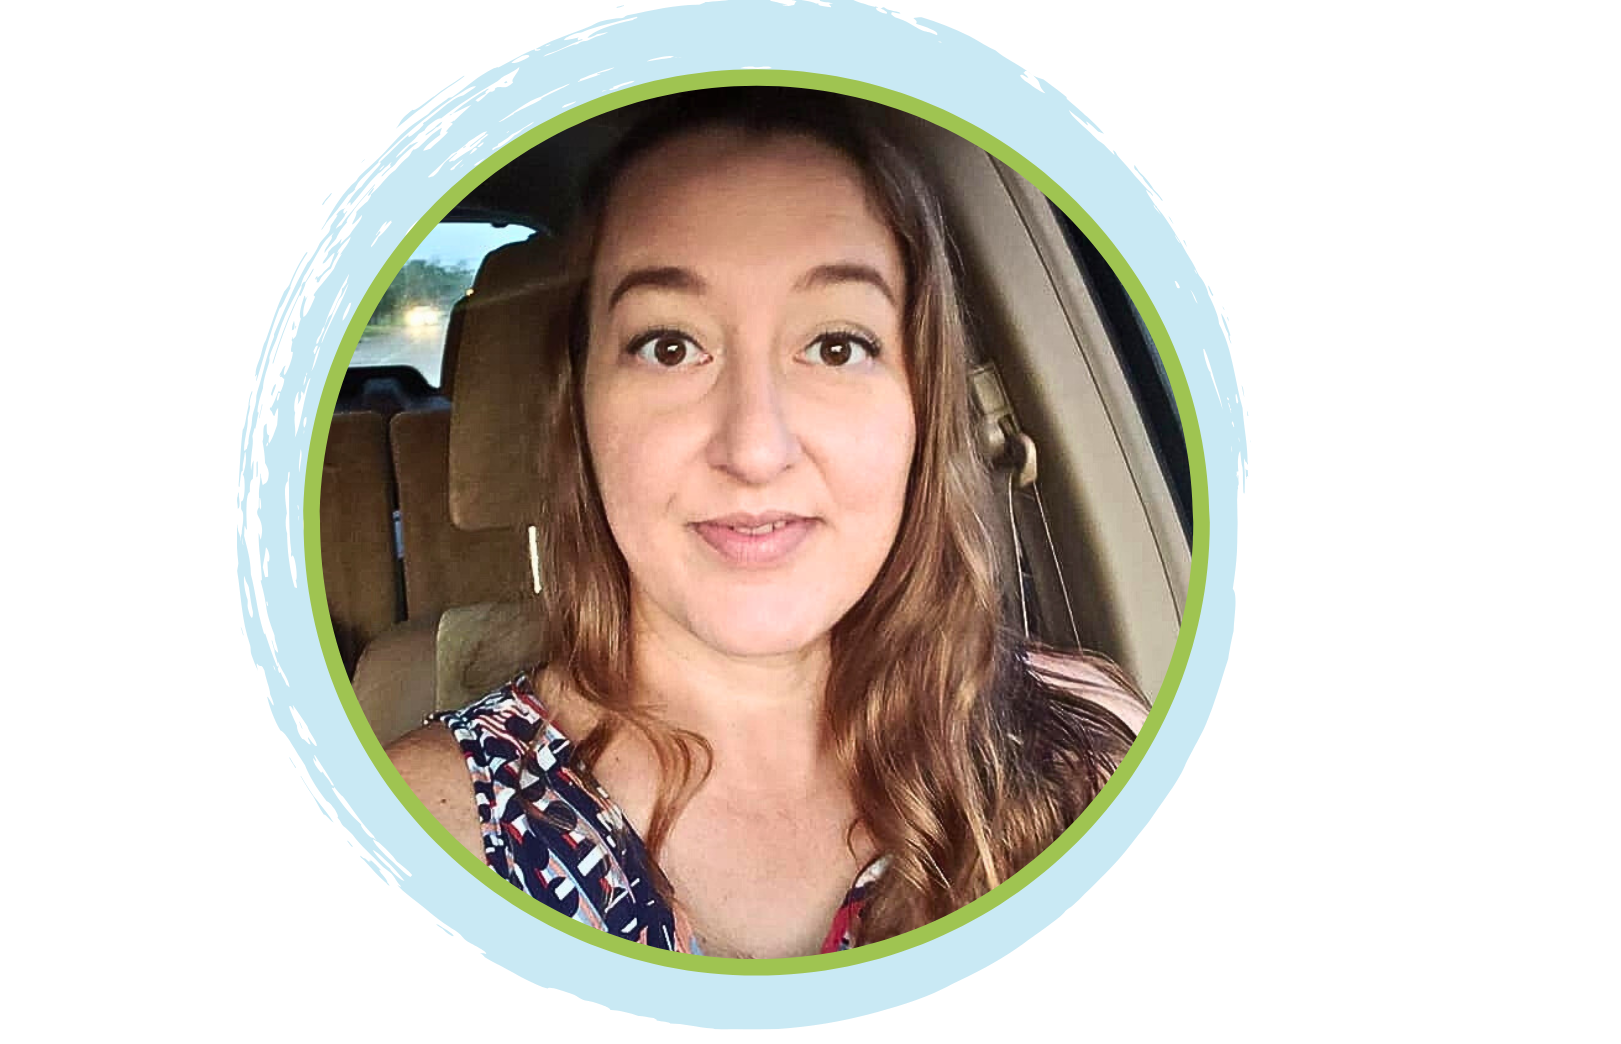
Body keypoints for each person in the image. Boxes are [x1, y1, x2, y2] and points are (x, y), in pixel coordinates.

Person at [387, 87, 1149, 959]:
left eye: (836, 346)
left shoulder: (1090, 751)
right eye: (669, 346)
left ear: (922, 405)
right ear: (582, 413)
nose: (754, 448)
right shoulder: (419, 839)